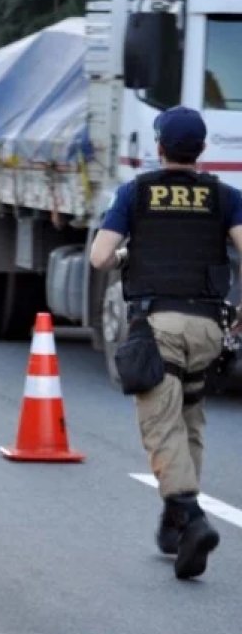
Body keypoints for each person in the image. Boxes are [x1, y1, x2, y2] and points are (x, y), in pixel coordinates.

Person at [90, 106, 242, 580]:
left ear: (158, 147)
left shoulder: (136, 193)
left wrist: (126, 253)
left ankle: (191, 517)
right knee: (189, 415)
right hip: (208, 328)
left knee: (160, 425)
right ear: (201, 150)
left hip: (159, 327)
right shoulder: (227, 197)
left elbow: (97, 258)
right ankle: (173, 524)